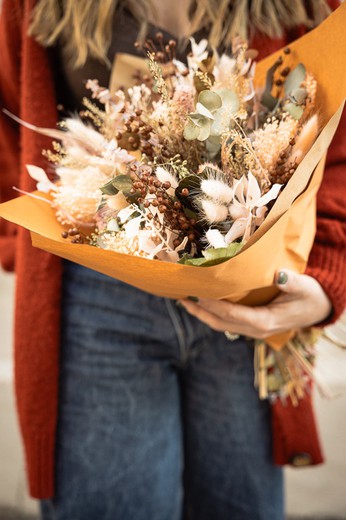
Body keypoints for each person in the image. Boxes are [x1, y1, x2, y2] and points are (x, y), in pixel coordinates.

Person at [0, 1, 345, 519]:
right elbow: (10, 116)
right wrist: (21, 239)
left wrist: (324, 277)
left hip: (246, 301)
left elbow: (334, 131)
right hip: (97, 300)